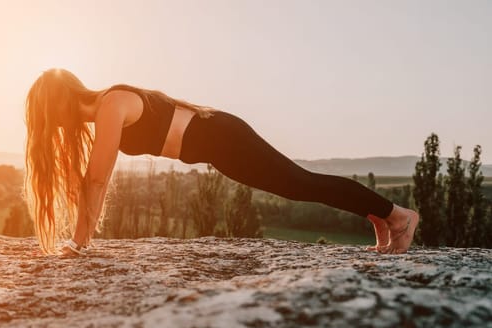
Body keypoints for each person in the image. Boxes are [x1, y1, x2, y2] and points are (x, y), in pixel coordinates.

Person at [24, 68, 419, 257]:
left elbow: (97, 180)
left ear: (57, 103)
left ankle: (397, 214)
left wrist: (78, 243)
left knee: (301, 183)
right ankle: (379, 216)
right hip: (216, 149)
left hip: (222, 136)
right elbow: (92, 178)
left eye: (47, 118)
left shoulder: (111, 103)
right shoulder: (103, 110)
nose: (51, 127)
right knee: (298, 185)